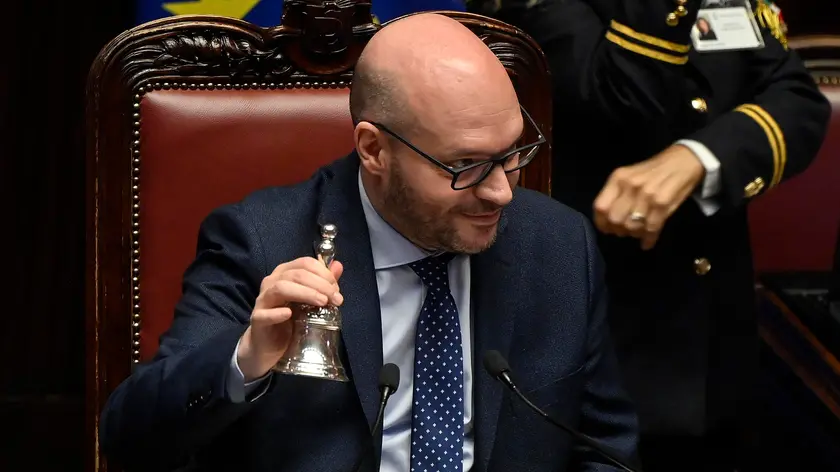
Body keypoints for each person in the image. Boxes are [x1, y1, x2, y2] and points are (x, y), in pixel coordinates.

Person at [99, 13, 640, 472]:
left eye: (513, 154)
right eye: (466, 166)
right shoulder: (260, 240)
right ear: (375, 150)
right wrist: (246, 358)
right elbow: (129, 440)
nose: (500, 191)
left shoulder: (559, 245)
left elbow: (606, 451)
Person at [469, 0, 832, 470]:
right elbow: (621, 96)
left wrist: (700, 157)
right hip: (604, 339)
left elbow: (798, 99)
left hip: (717, 339)